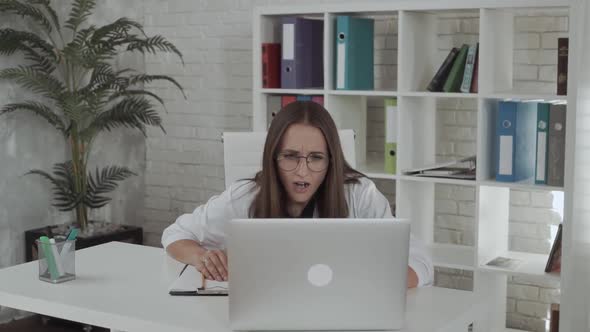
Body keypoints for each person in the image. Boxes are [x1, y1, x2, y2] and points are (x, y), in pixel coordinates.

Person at [161, 101, 434, 288]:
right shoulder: (246, 196)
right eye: (291, 156)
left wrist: (369, 284)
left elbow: (418, 260)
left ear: (331, 160)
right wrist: (201, 257)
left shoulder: (360, 195)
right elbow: (175, 235)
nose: (302, 171)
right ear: (273, 157)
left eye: (316, 158)